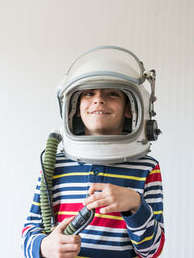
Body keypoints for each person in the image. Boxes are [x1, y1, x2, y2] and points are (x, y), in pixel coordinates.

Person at [22, 46, 165, 258]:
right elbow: (29, 232)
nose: (99, 100)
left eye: (112, 93)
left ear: (130, 108)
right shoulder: (55, 164)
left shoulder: (146, 167)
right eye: (89, 93)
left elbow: (151, 250)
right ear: (74, 107)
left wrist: (135, 205)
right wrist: (44, 247)